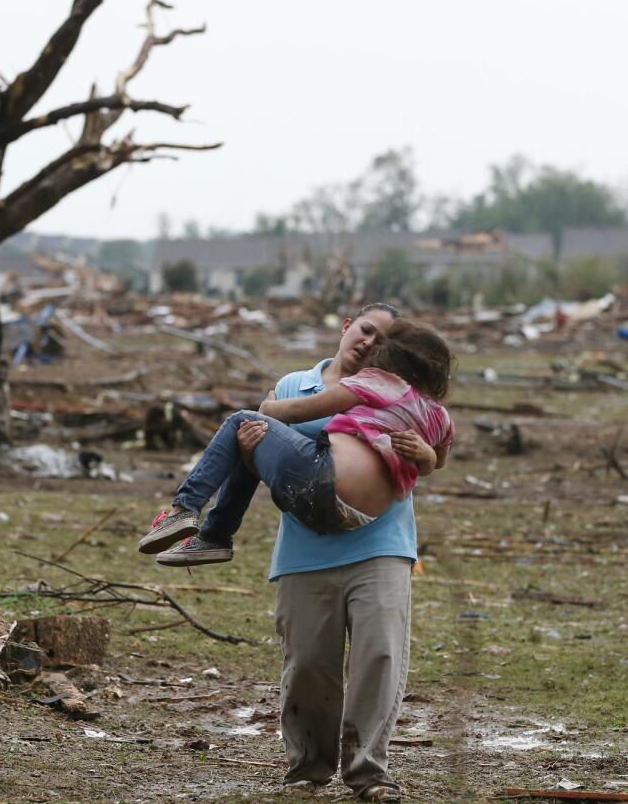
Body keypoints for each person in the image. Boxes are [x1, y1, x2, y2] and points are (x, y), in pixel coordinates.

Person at [148, 303, 441, 801]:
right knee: (307, 665)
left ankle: (370, 772)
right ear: (347, 325)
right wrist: (246, 445)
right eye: (365, 330)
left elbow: (435, 453)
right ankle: (308, 768)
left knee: (380, 657)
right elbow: (266, 457)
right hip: (306, 552)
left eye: (383, 339)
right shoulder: (291, 388)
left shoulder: (401, 394)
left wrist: (427, 453)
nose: (370, 343)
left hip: (382, 548)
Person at [136, 318, 453, 556]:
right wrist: (425, 455)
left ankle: (186, 512)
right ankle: (213, 537)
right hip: (357, 517)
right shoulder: (440, 415)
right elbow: (436, 461)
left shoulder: (377, 381)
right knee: (253, 437)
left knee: (243, 423)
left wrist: (268, 406)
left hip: (323, 482)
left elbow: (299, 410)